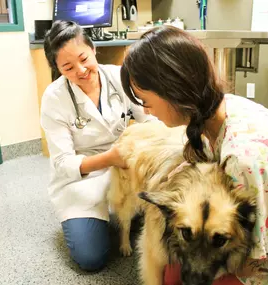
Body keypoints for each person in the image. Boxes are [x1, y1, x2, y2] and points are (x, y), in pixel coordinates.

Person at [120, 26, 268, 284]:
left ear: (172, 89)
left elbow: (257, 261)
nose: (146, 109)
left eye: (145, 99)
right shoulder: (218, 111)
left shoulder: (241, 159)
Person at [40, 20, 154, 272]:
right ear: (58, 69)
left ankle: (127, 216)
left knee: (164, 216)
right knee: (91, 258)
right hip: (84, 177)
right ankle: (94, 222)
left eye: (83, 58)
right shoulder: (54, 98)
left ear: (93, 49)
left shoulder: (118, 76)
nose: (80, 70)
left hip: (125, 166)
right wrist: (110, 158)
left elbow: (149, 119)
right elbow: (62, 163)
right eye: (68, 67)